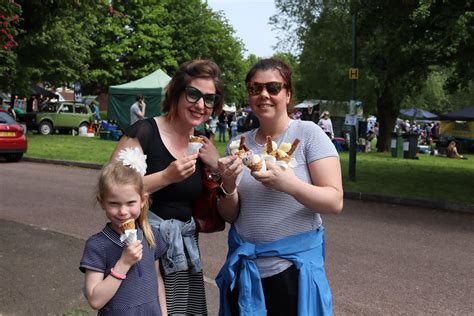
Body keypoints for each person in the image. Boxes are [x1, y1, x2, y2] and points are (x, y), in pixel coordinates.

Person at [215, 58, 343, 315]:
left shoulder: (308, 134)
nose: (263, 94)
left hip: (292, 272)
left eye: (273, 87)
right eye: (255, 88)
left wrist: (289, 184)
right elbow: (231, 215)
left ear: (288, 93)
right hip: (247, 270)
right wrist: (228, 186)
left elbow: (335, 201)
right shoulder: (238, 144)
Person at [110, 59, 224, 315]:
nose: (200, 105)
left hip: (184, 252)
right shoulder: (145, 131)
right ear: (176, 93)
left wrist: (219, 168)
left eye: (210, 99)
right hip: (143, 250)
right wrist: (166, 176)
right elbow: (112, 188)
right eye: (193, 94)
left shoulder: (202, 144)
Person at [79, 156, 168, 315]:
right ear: (101, 202)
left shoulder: (151, 235)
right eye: (114, 203)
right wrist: (124, 263)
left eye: (130, 203)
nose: (123, 211)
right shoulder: (97, 245)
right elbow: (95, 300)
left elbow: (157, 279)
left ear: (143, 201)